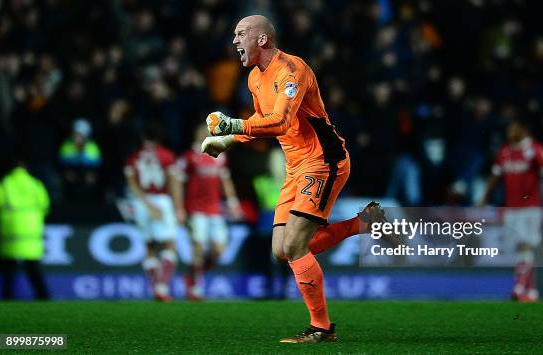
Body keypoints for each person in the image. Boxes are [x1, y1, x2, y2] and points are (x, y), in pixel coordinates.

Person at [201, 15, 387, 343]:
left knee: (296, 245)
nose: (234, 40)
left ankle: (321, 328)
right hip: (295, 167)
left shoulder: (292, 70)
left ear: (261, 39)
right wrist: (227, 140)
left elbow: (283, 121)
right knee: (281, 251)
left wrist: (232, 126)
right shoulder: (254, 80)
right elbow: (261, 120)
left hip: (323, 160)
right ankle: (362, 224)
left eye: (240, 33)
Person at [478, 119, 543, 303]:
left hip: (530, 207)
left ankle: (519, 286)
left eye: (514, 128)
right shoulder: (504, 152)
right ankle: (531, 292)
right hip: (511, 208)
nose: (510, 132)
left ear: (523, 130)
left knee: (525, 245)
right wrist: (484, 198)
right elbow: (494, 178)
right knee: (520, 249)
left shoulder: (536, 150)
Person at [177, 121, 241, 301]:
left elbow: (225, 181)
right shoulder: (189, 156)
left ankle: (192, 275)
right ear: (196, 135)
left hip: (214, 210)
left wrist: (233, 202)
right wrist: (179, 207)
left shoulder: (218, 155)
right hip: (195, 209)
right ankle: (196, 287)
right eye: (203, 132)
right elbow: (178, 182)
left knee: (218, 251)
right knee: (198, 246)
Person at [124, 123, 183, 302]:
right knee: (169, 245)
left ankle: (155, 287)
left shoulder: (134, 157)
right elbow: (174, 183)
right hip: (161, 201)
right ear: (159, 138)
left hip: (141, 202)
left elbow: (131, 183)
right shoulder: (166, 155)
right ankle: (162, 287)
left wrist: (146, 204)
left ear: (143, 138)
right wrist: (179, 208)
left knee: (149, 247)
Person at [0, 158, 50, 300]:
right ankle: (44, 299)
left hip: (11, 235)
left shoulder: (4, 184)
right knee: (34, 271)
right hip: (32, 235)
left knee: (8, 271)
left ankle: (7, 299)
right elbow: (45, 206)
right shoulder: (35, 183)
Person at [59, 118, 102, 201]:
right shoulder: (66, 146)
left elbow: (97, 167)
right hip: (71, 175)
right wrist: (66, 172)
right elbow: (61, 164)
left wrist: (92, 174)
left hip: (86, 175)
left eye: (80, 135)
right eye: (75, 134)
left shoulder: (93, 148)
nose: (77, 138)